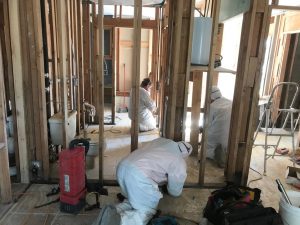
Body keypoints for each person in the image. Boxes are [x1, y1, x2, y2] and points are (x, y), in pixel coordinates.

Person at [115, 137, 192, 225]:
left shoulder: (162, 141)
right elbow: (175, 191)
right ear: (186, 155)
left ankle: (111, 214)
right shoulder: (179, 160)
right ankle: (117, 222)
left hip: (122, 166)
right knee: (146, 210)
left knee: (132, 200)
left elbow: (154, 160)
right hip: (137, 175)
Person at [206, 86, 232, 168]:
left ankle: (216, 156)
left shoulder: (212, 106)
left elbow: (207, 124)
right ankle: (223, 156)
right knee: (225, 147)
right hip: (230, 135)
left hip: (215, 135)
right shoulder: (230, 102)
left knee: (207, 146)